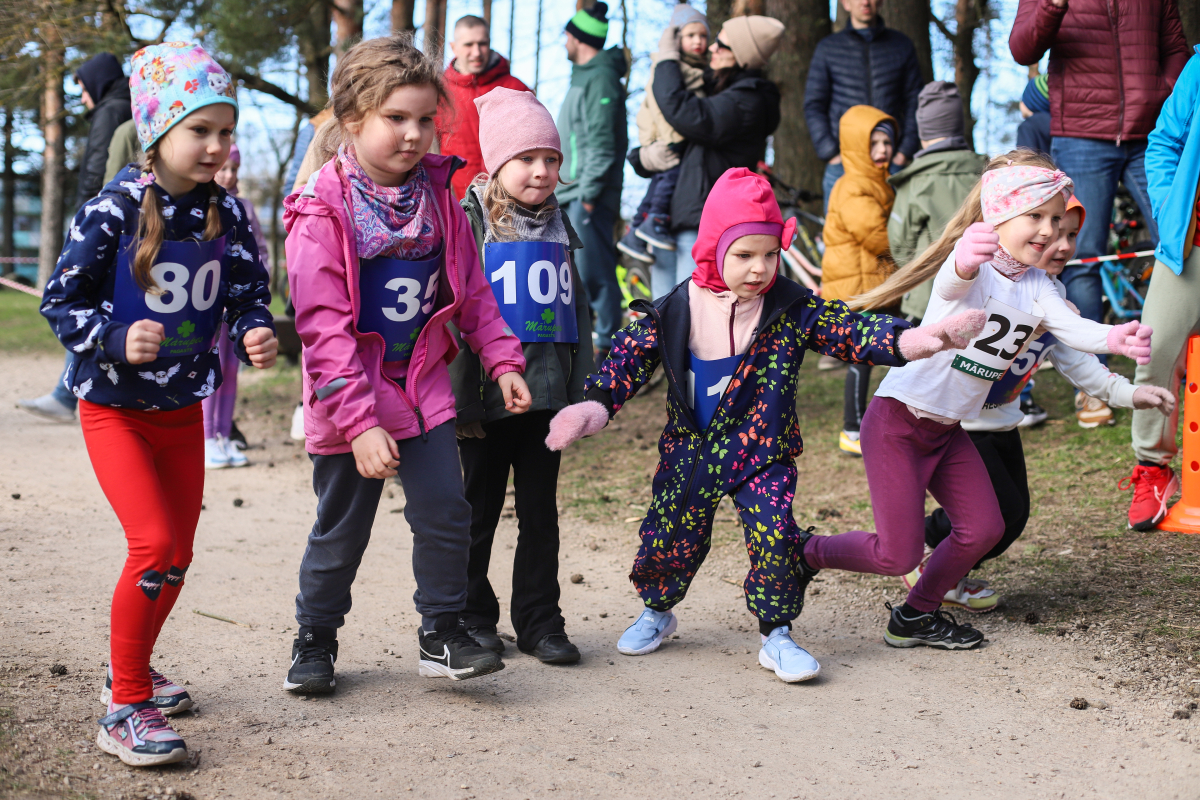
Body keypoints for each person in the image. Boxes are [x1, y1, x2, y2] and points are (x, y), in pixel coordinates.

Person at [543, 168, 987, 682]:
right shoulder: (673, 309)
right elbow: (625, 360)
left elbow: (850, 329)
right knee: (667, 533)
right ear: (713, 252)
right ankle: (657, 610)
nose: (759, 268)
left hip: (761, 449)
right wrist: (591, 408)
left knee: (775, 536)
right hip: (692, 451)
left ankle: (776, 635)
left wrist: (920, 340)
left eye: (771, 254)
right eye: (744, 255)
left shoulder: (791, 307)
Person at [40, 42, 277, 766]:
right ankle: (124, 709)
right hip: (114, 408)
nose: (215, 146)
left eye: (225, 132)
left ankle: (130, 666)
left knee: (178, 556)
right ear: (156, 134)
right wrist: (112, 337)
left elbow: (245, 289)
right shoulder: (111, 209)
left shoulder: (226, 212)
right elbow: (61, 301)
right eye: (199, 130)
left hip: (183, 412)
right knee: (151, 546)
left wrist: (257, 326)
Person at [814, 155, 1153, 652]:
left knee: (986, 527)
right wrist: (965, 259)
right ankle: (804, 551)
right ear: (999, 215)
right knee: (896, 553)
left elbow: (1073, 330)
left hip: (948, 431)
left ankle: (914, 615)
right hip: (896, 422)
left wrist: (1114, 339)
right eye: (1035, 217)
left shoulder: (1040, 286)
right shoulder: (972, 266)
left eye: (1056, 219)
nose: (1048, 230)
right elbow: (952, 283)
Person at [281, 35, 533, 695]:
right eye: (398, 118)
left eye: (426, 119)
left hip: (420, 390)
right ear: (354, 118)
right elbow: (322, 329)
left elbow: (472, 291)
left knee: (448, 512)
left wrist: (503, 359)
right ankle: (315, 638)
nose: (416, 134)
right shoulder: (321, 211)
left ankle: (442, 633)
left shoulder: (441, 199)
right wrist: (360, 422)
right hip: (351, 402)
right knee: (343, 530)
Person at [914, 196, 1174, 610]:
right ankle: (932, 565)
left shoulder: (1056, 300)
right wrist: (964, 265)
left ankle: (935, 556)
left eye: (1071, 233)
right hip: (960, 425)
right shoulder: (986, 280)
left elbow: (1083, 364)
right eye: (1050, 229)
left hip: (1003, 424)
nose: (1063, 242)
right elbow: (950, 287)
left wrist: (1132, 394)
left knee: (1014, 518)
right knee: (995, 515)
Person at [452, 88, 593, 665]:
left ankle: (540, 620)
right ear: (495, 165)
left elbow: (577, 313)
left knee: (541, 512)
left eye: (551, 159)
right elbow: (455, 314)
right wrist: (460, 405)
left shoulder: (562, 227)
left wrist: (579, 395)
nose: (540, 171)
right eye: (526, 159)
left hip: (546, 400)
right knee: (475, 511)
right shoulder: (469, 224)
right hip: (484, 402)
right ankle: (470, 614)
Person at [1010, 0, 1188, 427]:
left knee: (1184, 243)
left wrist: (1159, 96)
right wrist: (1052, 7)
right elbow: (1022, 48)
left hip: (1153, 134)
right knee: (1077, 258)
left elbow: (1176, 48)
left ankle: (1186, 369)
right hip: (1081, 133)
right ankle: (1093, 388)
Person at [629, 14, 784, 298]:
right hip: (674, 219)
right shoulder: (720, 91)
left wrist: (666, 59)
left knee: (687, 314)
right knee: (664, 313)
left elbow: (681, 110)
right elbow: (679, 144)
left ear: (741, 54)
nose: (711, 48)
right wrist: (642, 158)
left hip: (701, 224)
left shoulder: (747, 101)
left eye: (721, 45)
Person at [18, 52, 132, 424]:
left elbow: (96, 169)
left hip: (105, 223)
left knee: (85, 302)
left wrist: (83, 220)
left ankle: (69, 396)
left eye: (83, 87)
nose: (82, 97)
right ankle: (69, 394)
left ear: (97, 82)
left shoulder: (110, 111)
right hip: (126, 223)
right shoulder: (126, 108)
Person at [1124, 50, 1200, 531]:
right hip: (1191, 245)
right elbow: (1163, 143)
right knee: (1154, 349)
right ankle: (1153, 469)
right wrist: (1172, 209)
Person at [821, 106, 897, 456]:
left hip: (872, 283)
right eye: (874, 143)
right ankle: (852, 428)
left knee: (877, 352)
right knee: (861, 357)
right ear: (855, 146)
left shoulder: (876, 182)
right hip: (857, 288)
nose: (883, 149)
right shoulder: (852, 185)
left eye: (887, 142)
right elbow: (877, 237)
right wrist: (909, 244)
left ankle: (874, 422)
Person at [803, 0, 924, 211]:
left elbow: (915, 101)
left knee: (897, 241)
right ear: (845, 4)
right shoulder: (829, 48)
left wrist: (903, 153)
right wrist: (831, 153)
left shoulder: (902, 45)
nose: (865, 2)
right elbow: (814, 104)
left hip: (891, 164)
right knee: (840, 237)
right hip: (842, 165)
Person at [557, 2, 627, 358]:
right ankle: (595, 340)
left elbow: (601, 141)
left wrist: (590, 192)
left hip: (589, 194)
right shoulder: (584, 75)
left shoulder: (600, 77)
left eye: (567, 36)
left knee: (595, 268)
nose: (564, 42)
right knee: (583, 270)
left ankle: (609, 344)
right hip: (575, 192)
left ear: (579, 38)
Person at [616, 4, 709, 265]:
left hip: (664, 134)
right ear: (677, 39)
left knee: (659, 182)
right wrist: (672, 137)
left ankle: (636, 231)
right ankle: (654, 219)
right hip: (669, 135)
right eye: (691, 36)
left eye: (703, 36)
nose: (698, 42)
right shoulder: (671, 67)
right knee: (670, 176)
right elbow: (663, 104)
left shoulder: (691, 66)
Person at [889, 81, 988, 323]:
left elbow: (900, 247)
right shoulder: (987, 173)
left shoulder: (915, 182)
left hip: (929, 300)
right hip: (983, 293)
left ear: (924, 132)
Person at [204, 143, 270, 468]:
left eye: (234, 170)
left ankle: (224, 436)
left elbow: (259, 248)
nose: (228, 175)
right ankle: (205, 438)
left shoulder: (244, 206)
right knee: (209, 370)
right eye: (224, 168)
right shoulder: (204, 204)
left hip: (238, 306)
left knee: (231, 372)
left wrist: (260, 277)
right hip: (208, 306)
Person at [439, 14, 531, 200]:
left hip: (508, 198)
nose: (477, 52)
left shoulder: (516, 89)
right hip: (457, 201)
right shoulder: (439, 92)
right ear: (453, 47)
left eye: (482, 43)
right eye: (468, 45)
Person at [1016, 74, 1051, 157]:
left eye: (1023, 98)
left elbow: (1025, 160)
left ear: (1032, 100)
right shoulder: (1058, 123)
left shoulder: (1027, 126)